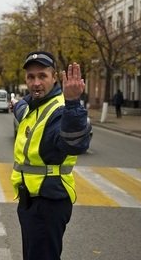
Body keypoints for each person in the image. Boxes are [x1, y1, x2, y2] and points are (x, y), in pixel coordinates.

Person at [10, 51, 91, 260]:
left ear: (54, 78)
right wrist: (15, 105)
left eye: (42, 76)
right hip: (30, 200)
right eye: (31, 77)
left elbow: (75, 144)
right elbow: (23, 106)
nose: (36, 83)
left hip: (49, 202)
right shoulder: (33, 106)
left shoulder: (60, 109)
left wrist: (73, 102)